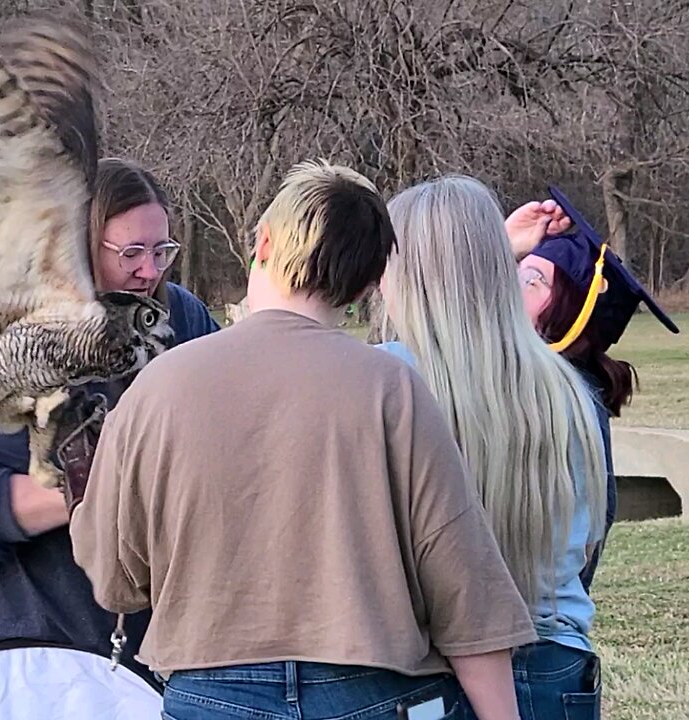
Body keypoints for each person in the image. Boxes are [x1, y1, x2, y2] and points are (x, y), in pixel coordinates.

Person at [70, 160, 534, 720]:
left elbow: (114, 576)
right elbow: (466, 593)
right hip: (373, 692)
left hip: (210, 696)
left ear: (263, 244)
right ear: (367, 285)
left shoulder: (155, 390)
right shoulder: (393, 390)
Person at [0, 158, 220, 685]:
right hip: (16, 642)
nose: (150, 270)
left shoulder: (179, 318)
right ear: (80, 250)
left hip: (130, 650)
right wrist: (98, 489)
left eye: (161, 250)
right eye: (130, 253)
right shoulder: (22, 334)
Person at [373, 175, 610, 720]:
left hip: (432, 669)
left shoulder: (385, 381)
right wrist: (482, 249)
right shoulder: (566, 389)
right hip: (555, 660)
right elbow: (588, 539)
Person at [513, 186, 680, 590]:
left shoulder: (562, 407)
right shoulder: (542, 388)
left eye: (530, 282)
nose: (508, 292)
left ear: (572, 313)